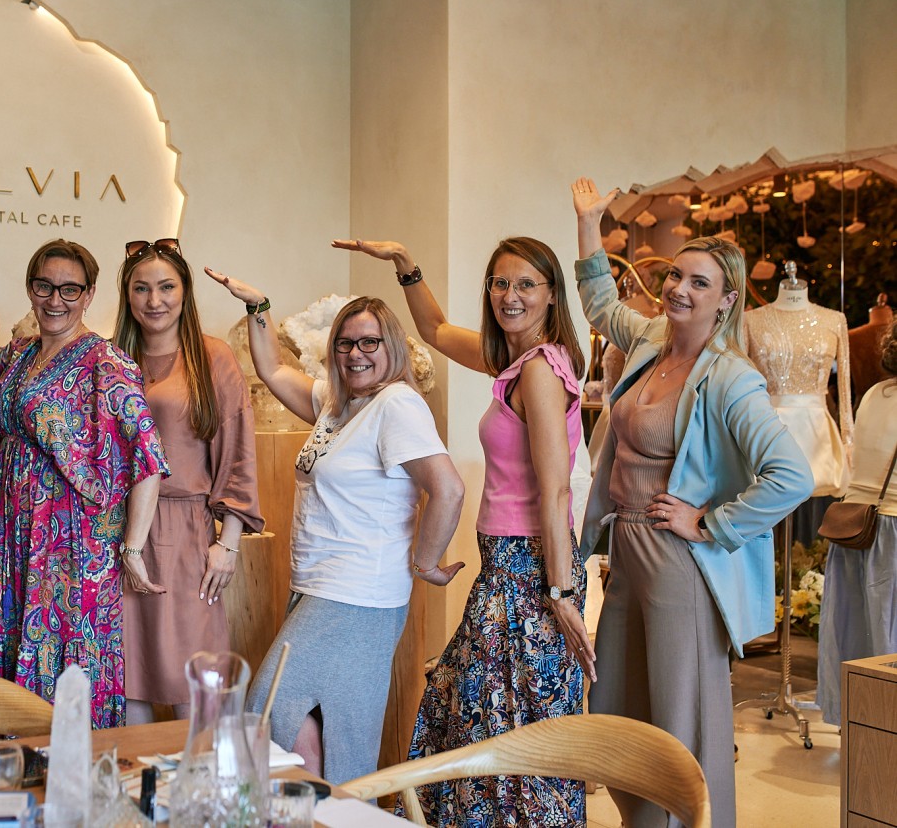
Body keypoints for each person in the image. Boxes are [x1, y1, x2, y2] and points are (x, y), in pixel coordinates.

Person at [571, 177, 813, 828]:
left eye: (699, 282)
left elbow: (792, 475)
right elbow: (600, 303)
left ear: (727, 300)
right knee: (619, 703)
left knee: (679, 717)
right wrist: (589, 223)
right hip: (626, 550)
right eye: (676, 275)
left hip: (679, 560)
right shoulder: (652, 339)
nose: (679, 288)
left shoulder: (731, 378)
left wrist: (710, 523)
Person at [336, 236, 597, 826]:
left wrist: (560, 591)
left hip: (528, 572)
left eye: (525, 284)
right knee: (484, 718)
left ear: (551, 294)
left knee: (504, 731)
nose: (510, 295)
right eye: (500, 283)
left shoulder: (538, 371)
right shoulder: (515, 360)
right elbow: (434, 329)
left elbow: (557, 491)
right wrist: (407, 265)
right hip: (509, 568)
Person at [205, 270, 466, 785]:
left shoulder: (396, 405)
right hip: (318, 585)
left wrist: (425, 563)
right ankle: (322, 811)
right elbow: (274, 370)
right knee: (322, 724)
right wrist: (259, 307)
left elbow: (448, 488)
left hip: (358, 593)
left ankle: (329, 811)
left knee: (270, 708)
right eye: (345, 343)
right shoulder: (339, 405)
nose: (355, 353)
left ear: (391, 346)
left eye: (370, 342)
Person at [0, 238, 169, 728]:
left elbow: (148, 457)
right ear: (30, 288)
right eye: (44, 286)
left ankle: (67, 770)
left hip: (71, 542)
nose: (55, 300)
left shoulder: (107, 363)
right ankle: (7, 768)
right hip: (9, 533)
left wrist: (133, 548)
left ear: (89, 294)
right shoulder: (18, 354)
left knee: (63, 655)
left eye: (70, 289)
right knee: (6, 638)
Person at [112, 238, 265, 724]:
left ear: (185, 291)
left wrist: (229, 543)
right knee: (125, 680)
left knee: (193, 685)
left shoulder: (211, 357)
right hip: (116, 533)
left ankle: (201, 775)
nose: (154, 300)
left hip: (185, 532)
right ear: (127, 295)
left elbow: (238, 454)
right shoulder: (111, 359)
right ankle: (135, 774)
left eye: (166, 287)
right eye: (141, 288)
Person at [817, 320, 897, 726]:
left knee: (858, 640)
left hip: (856, 531)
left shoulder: (876, 394)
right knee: (887, 645)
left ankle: (865, 731)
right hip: (891, 534)